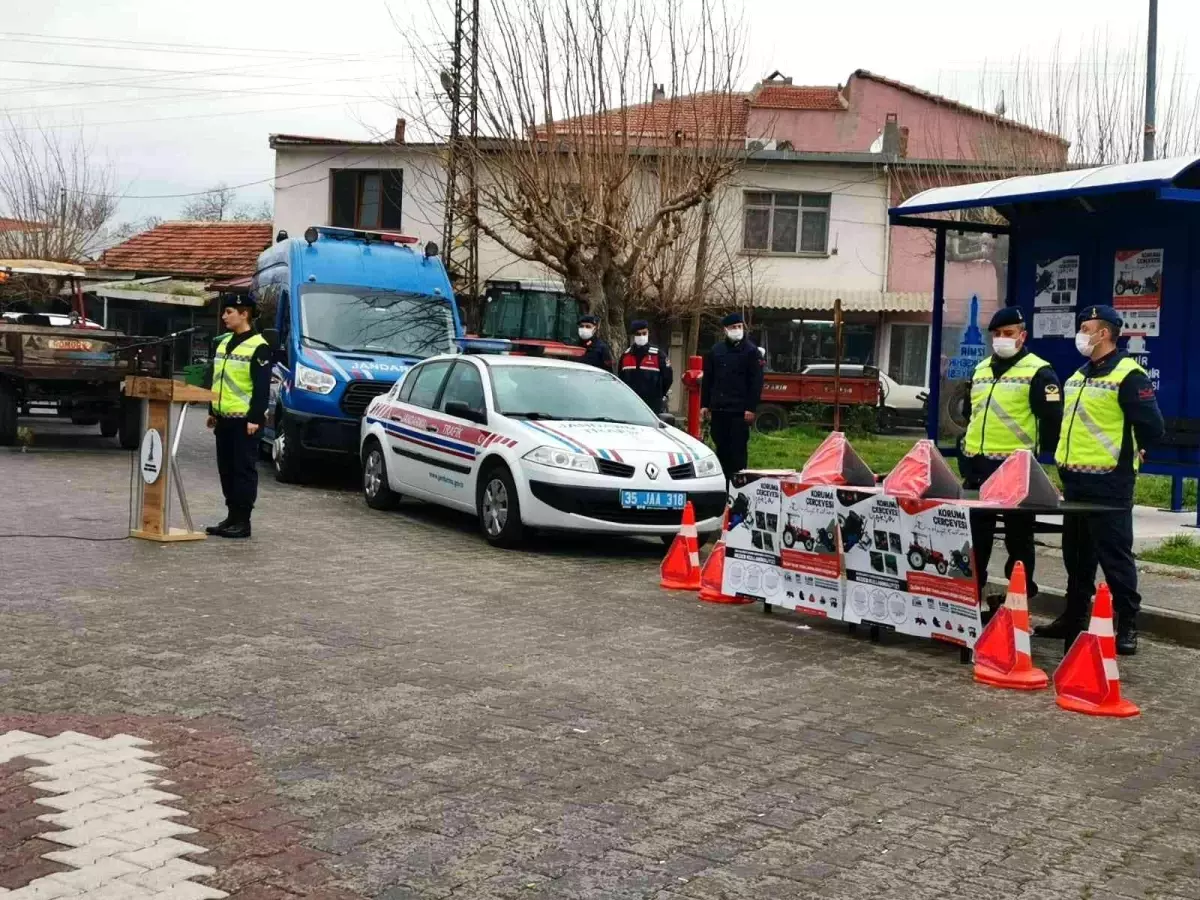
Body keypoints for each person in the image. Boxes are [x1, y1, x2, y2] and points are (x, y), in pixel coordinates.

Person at [1036, 305, 1164, 655]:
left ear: (1104, 333)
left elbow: (1153, 426)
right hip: (1075, 481)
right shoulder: (1079, 375)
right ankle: (1074, 616)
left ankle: (1127, 623)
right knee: (1076, 554)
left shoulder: (1128, 374)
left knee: (1114, 554)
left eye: (1085, 327)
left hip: (1110, 482)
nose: (1081, 332)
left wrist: (1137, 452)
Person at [959, 306, 1062, 618]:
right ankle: (972, 600)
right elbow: (971, 413)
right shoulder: (980, 370)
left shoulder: (1039, 371)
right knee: (977, 538)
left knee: (1019, 537)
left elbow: (1052, 419)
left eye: (1009, 334)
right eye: (998, 334)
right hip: (979, 467)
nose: (1002, 339)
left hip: (1015, 469)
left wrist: (1041, 465)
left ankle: (1019, 597)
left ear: (1022, 336)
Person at [203, 295, 272, 539]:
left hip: (245, 421)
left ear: (245, 314)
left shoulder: (259, 346)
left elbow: (262, 387)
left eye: (229, 311)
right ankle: (230, 517)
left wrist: (255, 418)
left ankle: (243, 521)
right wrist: (212, 410)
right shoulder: (224, 343)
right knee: (227, 470)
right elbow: (217, 380)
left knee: (243, 470)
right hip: (224, 418)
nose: (224, 316)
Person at [701, 312, 764, 485]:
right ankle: (722, 486)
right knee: (721, 449)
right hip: (720, 410)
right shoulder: (717, 351)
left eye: (739, 327)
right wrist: (705, 404)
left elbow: (756, 382)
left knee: (737, 452)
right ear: (725, 330)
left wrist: (751, 408)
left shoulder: (752, 352)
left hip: (739, 411)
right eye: (733, 327)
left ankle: (738, 487)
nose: (737, 330)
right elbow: (708, 379)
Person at [618, 319, 673, 413]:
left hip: (653, 405)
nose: (641, 336)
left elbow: (668, 378)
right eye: (638, 334)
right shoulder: (626, 356)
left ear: (648, 333)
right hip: (631, 405)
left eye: (644, 333)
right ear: (633, 336)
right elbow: (621, 379)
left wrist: (659, 395)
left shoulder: (658, 355)